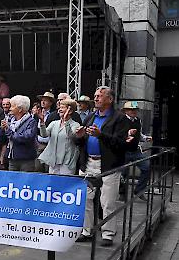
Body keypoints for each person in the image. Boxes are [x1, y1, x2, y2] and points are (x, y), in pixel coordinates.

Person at [75, 86, 128, 246]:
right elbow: (81, 142)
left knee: (107, 202)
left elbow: (121, 143)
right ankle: (87, 231)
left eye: (99, 96)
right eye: (95, 95)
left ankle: (108, 234)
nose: (96, 98)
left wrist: (101, 135)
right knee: (86, 200)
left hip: (109, 166)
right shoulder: (91, 116)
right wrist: (79, 137)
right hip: (88, 164)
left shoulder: (120, 118)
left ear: (109, 99)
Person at [38, 99, 81, 175]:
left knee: (65, 185)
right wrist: (42, 121)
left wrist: (66, 121)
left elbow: (72, 137)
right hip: (53, 161)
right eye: (59, 107)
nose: (60, 109)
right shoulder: (54, 123)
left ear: (70, 111)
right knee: (53, 184)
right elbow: (44, 135)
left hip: (67, 162)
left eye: (62, 107)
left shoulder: (75, 125)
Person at [0, 95, 38, 172]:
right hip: (12, 159)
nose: (10, 108)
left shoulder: (31, 122)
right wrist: (2, 129)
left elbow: (26, 138)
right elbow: (1, 140)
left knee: (25, 182)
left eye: (12, 106)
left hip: (26, 160)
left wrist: (8, 130)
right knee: (12, 182)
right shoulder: (9, 120)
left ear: (20, 109)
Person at [122, 101, 151, 198]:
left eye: (135, 110)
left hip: (135, 150)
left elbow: (139, 134)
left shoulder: (138, 120)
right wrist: (128, 133)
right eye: (131, 109)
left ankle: (139, 190)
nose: (134, 111)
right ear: (126, 110)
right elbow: (117, 134)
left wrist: (145, 138)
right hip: (124, 150)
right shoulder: (121, 120)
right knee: (123, 173)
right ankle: (122, 193)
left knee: (146, 167)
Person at [35, 91, 56, 172]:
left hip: (49, 145)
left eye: (45, 100)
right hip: (38, 145)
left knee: (47, 169)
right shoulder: (37, 113)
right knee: (37, 168)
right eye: (42, 100)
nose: (43, 102)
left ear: (50, 103)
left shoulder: (54, 115)